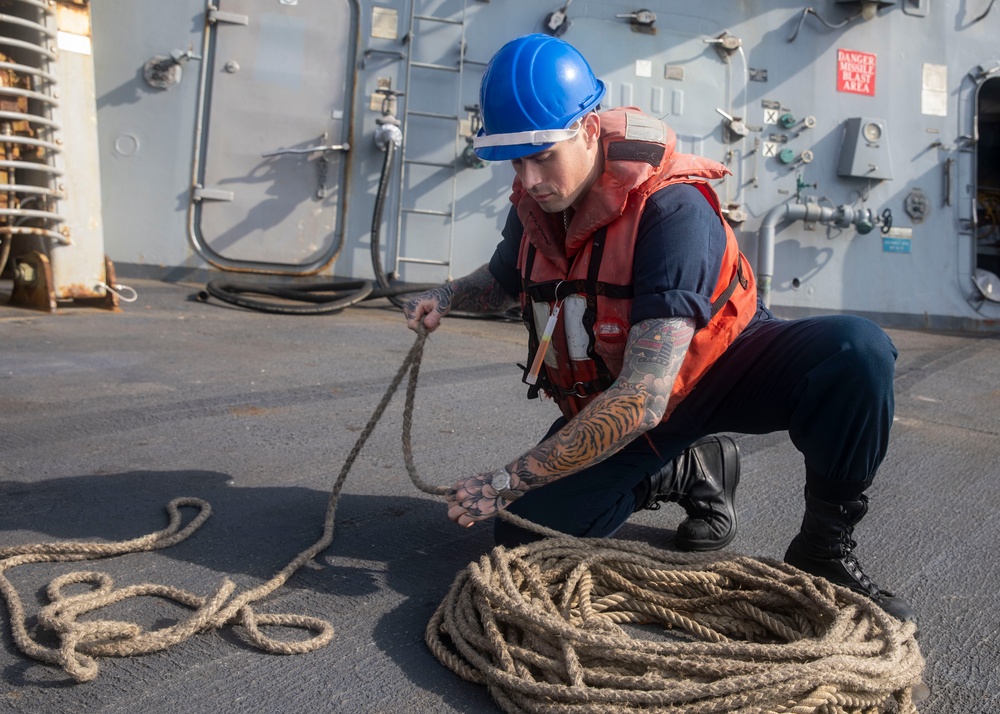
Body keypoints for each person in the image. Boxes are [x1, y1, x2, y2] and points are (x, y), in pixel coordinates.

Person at [403, 33, 913, 622]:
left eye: (544, 155)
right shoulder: (537, 208)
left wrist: (506, 477)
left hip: (726, 365)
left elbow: (645, 395)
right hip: (637, 398)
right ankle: (684, 468)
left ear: (590, 130)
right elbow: (502, 280)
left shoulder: (672, 210)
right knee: (528, 539)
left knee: (856, 353)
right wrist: (443, 295)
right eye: (517, 161)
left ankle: (823, 546)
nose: (531, 177)